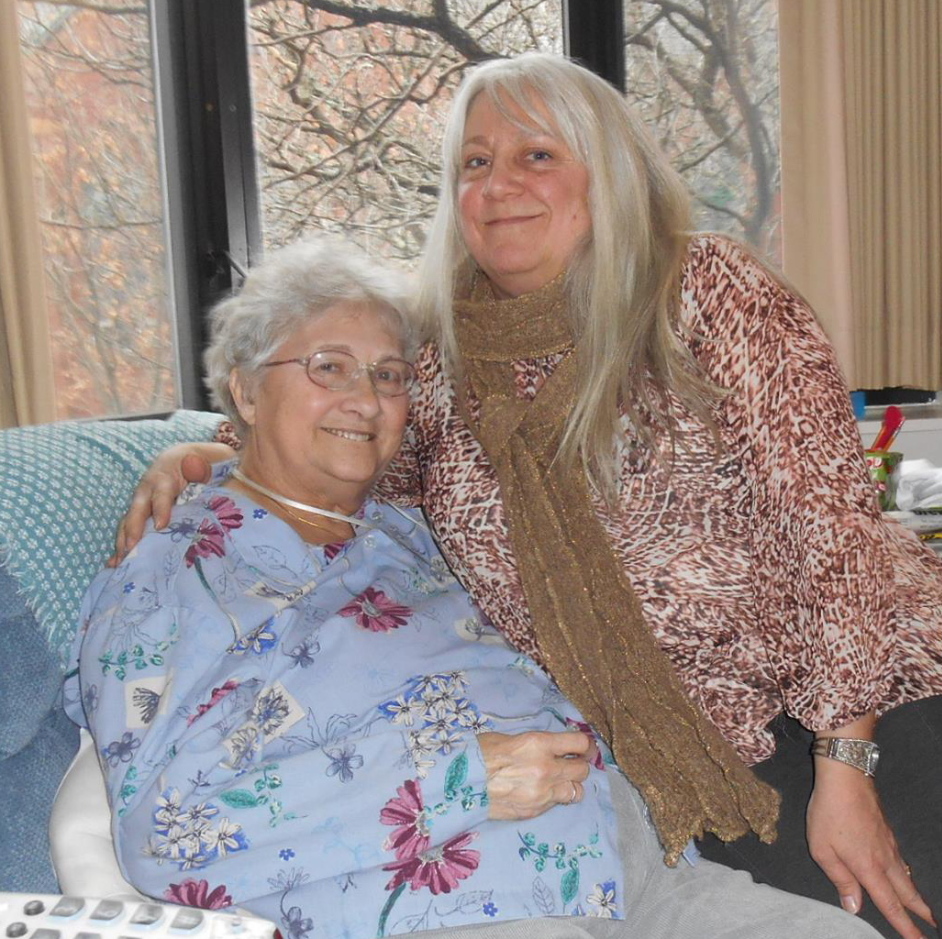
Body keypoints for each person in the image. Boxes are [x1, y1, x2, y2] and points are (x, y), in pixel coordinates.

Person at [115, 53, 942, 939]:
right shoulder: (438, 364)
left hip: (875, 701)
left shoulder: (706, 291)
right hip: (687, 764)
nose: (499, 185)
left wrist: (846, 763)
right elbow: (344, 451)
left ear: (604, 174)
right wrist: (205, 451)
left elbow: (831, 528)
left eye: (536, 155)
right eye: (474, 162)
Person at [63, 235, 883, 939]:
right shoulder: (173, 572)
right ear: (245, 387)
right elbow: (167, 833)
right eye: (328, 366)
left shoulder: (417, 533)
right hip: (454, 906)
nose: (365, 397)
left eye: (389, 376)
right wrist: (452, 778)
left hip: (640, 876)